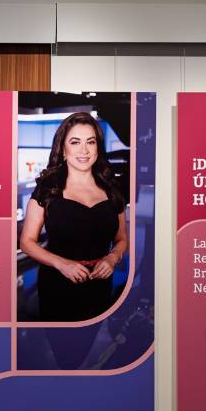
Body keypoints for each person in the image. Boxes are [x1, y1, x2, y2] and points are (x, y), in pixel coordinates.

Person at [19, 112, 128, 323]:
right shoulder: (48, 189)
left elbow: (122, 238)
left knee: (90, 339)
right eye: (75, 142)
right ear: (63, 148)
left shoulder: (112, 189)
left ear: (97, 147)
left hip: (100, 285)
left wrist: (112, 258)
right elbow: (27, 242)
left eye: (90, 142)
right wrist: (62, 264)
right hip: (57, 286)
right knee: (63, 343)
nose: (84, 150)